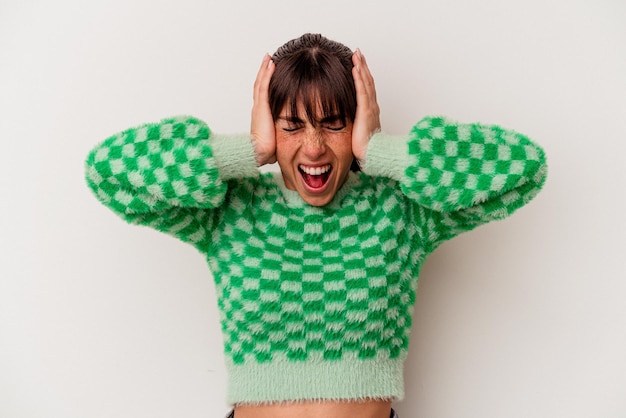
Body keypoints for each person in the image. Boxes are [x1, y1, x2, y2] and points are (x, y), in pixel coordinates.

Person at [85, 33, 548, 418]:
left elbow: (524, 170)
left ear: (357, 124)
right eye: (291, 126)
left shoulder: (402, 211)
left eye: (332, 124)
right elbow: (106, 173)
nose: (313, 148)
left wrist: (381, 151)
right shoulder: (230, 210)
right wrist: (247, 151)